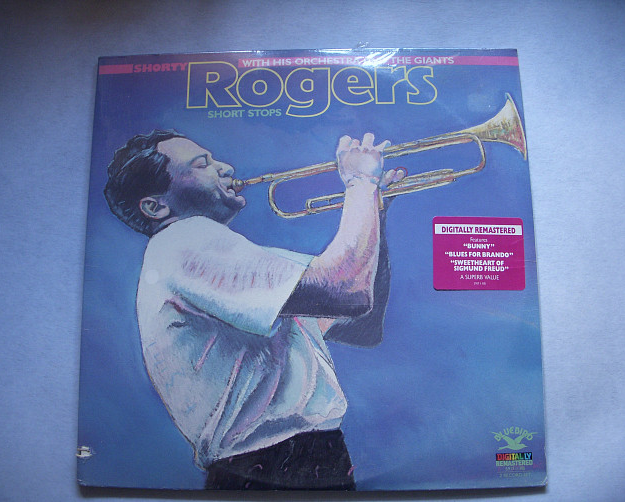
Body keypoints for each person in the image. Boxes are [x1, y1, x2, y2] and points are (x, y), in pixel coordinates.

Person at [103, 129, 403, 490]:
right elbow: (347, 291)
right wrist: (360, 183)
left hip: (301, 456)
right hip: (269, 464)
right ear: (156, 207)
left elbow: (362, 325)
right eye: (202, 164)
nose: (225, 168)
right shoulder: (184, 242)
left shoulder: (235, 262)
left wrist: (374, 214)